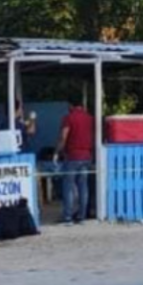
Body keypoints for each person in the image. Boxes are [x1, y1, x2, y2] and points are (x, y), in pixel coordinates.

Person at [54, 95, 94, 225]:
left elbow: (63, 136)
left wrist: (57, 151)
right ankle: (82, 217)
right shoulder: (89, 118)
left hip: (72, 156)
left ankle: (68, 217)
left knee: (69, 187)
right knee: (83, 187)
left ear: (70, 105)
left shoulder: (68, 118)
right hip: (86, 156)